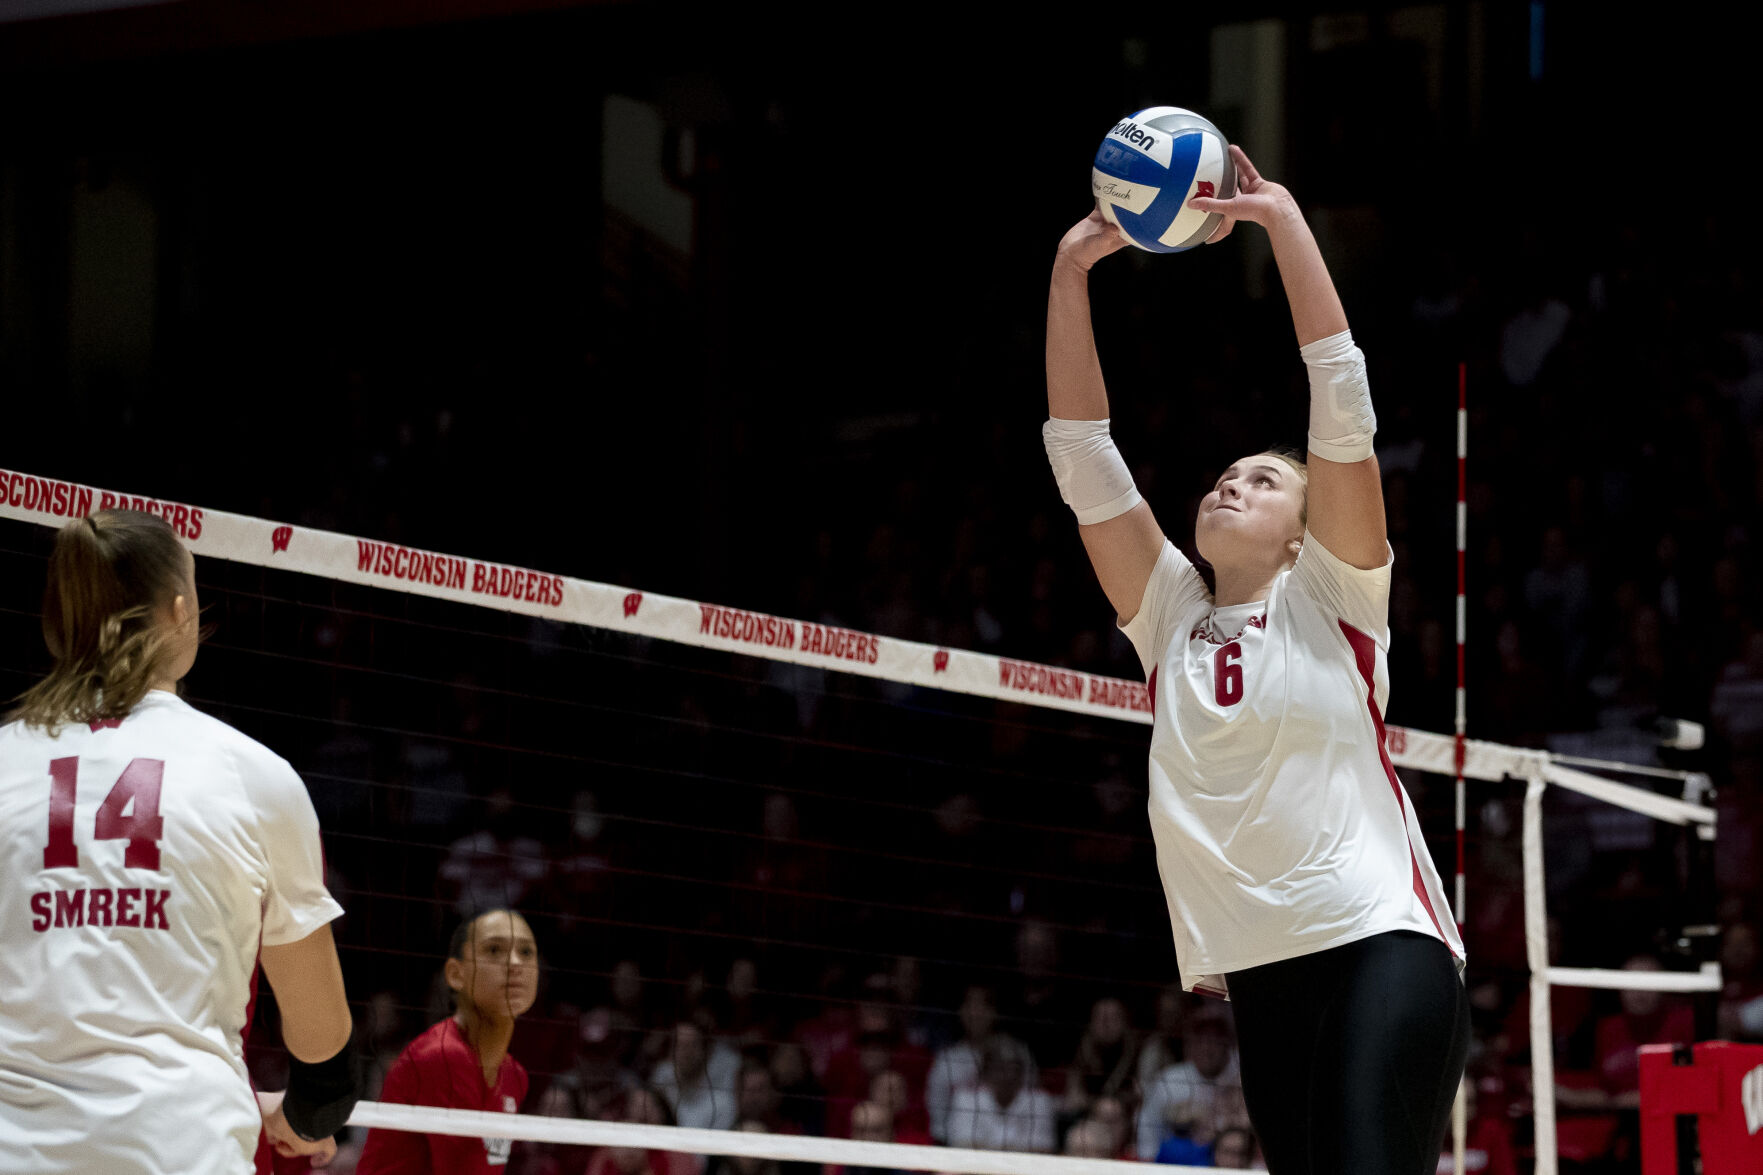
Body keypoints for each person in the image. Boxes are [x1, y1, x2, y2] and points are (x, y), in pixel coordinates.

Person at [1044, 146, 1470, 1175]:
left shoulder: (1332, 593)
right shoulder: (1167, 617)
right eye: (1223, 476)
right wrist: (1069, 270)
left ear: (1301, 531)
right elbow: (1082, 455)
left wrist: (1281, 221)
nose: (1230, 485)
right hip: (1260, 970)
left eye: (1262, 482)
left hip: (1382, 941)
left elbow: (1341, 405)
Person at [0, 510, 356, 1173]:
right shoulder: (252, 774)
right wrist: (306, 1115)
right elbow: (323, 1046)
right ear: (181, 610)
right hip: (182, 1149)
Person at [357, 908, 539, 1174]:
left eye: (526, 952)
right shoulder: (440, 1057)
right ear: (456, 974)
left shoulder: (515, 1075)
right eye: (493, 950)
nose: (515, 963)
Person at [1136, 1000, 1249, 1161]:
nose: (1207, 1048)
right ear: (1189, 1044)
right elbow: (1147, 1128)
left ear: (1227, 1044)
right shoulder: (1170, 1080)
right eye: (1200, 1040)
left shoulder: (1243, 1075)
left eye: (1215, 1040)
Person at [943, 1037, 1057, 1154]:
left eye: (1013, 1068)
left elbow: (1043, 1150)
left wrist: (986, 1147)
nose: (1008, 1075)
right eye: (1000, 1068)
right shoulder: (964, 1098)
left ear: (1022, 1072)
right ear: (986, 1071)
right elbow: (961, 1146)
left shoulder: (1039, 1101)